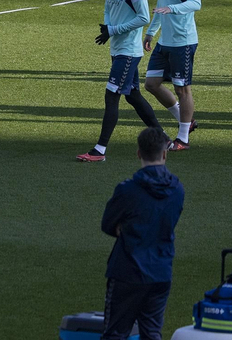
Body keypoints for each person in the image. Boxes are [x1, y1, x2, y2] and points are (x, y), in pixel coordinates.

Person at [99, 128, 185, 340]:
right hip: (161, 271)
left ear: (138, 153)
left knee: (115, 334)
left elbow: (107, 224)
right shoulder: (177, 190)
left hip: (127, 271)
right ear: (164, 153)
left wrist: (126, 228)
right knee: (152, 334)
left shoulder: (127, 191)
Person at [78, 0, 161, 162]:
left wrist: (113, 30)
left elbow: (144, 18)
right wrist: (106, 27)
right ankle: (163, 138)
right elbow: (108, 9)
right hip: (117, 49)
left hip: (129, 52)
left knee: (111, 95)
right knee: (133, 96)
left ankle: (100, 150)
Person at [144, 0, 200, 150]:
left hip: (182, 42)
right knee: (151, 84)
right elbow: (161, 3)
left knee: (182, 89)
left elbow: (196, 3)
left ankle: (183, 138)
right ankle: (187, 120)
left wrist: (173, 9)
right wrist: (151, 31)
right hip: (165, 41)